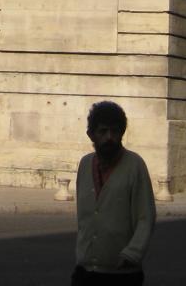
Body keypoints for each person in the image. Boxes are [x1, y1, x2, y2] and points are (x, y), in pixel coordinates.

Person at [72, 101, 155, 284]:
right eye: (102, 132)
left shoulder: (135, 166)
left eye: (115, 131)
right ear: (91, 135)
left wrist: (133, 253)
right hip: (86, 270)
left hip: (122, 273)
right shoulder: (85, 165)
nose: (109, 138)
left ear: (122, 133)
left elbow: (145, 216)